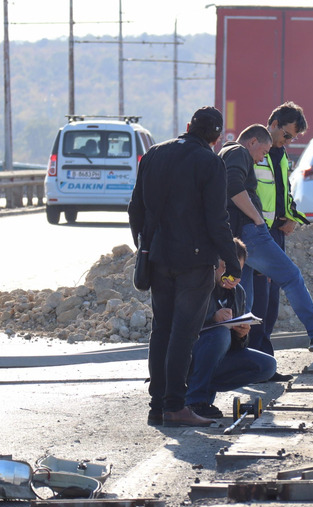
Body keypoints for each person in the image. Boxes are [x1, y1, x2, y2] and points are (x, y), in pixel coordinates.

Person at [128, 106, 243, 428]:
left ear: (189, 126)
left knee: (161, 330)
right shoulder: (210, 162)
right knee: (183, 334)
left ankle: (157, 406)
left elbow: (135, 207)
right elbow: (217, 219)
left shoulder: (154, 154)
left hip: (157, 257)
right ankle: (176, 406)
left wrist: (144, 245)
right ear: (217, 138)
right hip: (195, 262)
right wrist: (232, 261)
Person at [220, 124, 313, 355]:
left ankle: (239, 353)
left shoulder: (225, 152)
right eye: (263, 152)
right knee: (291, 277)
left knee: (245, 300)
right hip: (250, 232)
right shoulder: (238, 152)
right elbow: (233, 186)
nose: (262, 159)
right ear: (252, 142)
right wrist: (258, 220)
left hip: (238, 234)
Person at [246, 102, 312, 378]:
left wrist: (292, 216)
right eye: (286, 135)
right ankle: (255, 364)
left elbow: (283, 193)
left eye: (293, 138)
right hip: (256, 235)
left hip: (274, 234)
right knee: (257, 302)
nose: (288, 141)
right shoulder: (251, 152)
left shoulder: (280, 154)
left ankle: (264, 363)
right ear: (273, 124)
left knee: (270, 303)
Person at [185, 238, 277, 419]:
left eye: (236, 271)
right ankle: (195, 400)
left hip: (218, 356)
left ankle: (201, 389)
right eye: (225, 269)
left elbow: (236, 346)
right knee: (219, 334)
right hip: (188, 357)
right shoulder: (197, 285)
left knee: (267, 365)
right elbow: (182, 324)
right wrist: (212, 317)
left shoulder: (238, 292)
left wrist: (241, 335)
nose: (230, 276)